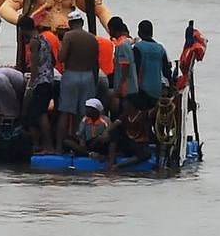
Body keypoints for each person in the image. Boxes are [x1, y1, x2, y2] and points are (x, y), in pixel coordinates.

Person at [57, 14, 102, 144]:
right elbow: (95, 63)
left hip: (71, 74)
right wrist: (94, 80)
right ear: (82, 22)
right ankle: (81, 144)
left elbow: (62, 57)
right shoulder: (92, 38)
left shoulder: (69, 36)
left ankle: (59, 147)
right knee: (84, 114)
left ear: (70, 24)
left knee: (65, 112)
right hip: (88, 76)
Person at [19, 16, 59, 152]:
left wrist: (30, 86)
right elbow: (53, 61)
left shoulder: (34, 42)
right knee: (39, 113)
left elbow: (34, 68)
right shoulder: (45, 39)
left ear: (23, 29)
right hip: (49, 79)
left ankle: (47, 146)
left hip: (40, 82)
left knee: (38, 114)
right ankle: (43, 145)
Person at [132, 19, 171, 111]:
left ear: (139, 33)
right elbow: (166, 72)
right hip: (157, 91)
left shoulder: (138, 47)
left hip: (142, 91)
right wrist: (171, 87)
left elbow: (134, 70)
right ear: (152, 33)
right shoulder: (160, 48)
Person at [109, 17, 137, 115]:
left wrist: (121, 85)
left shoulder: (122, 45)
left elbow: (125, 66)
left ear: (113, 29)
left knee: (124, 111)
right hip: (128, 84)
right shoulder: (126, 42)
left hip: (126, 86)